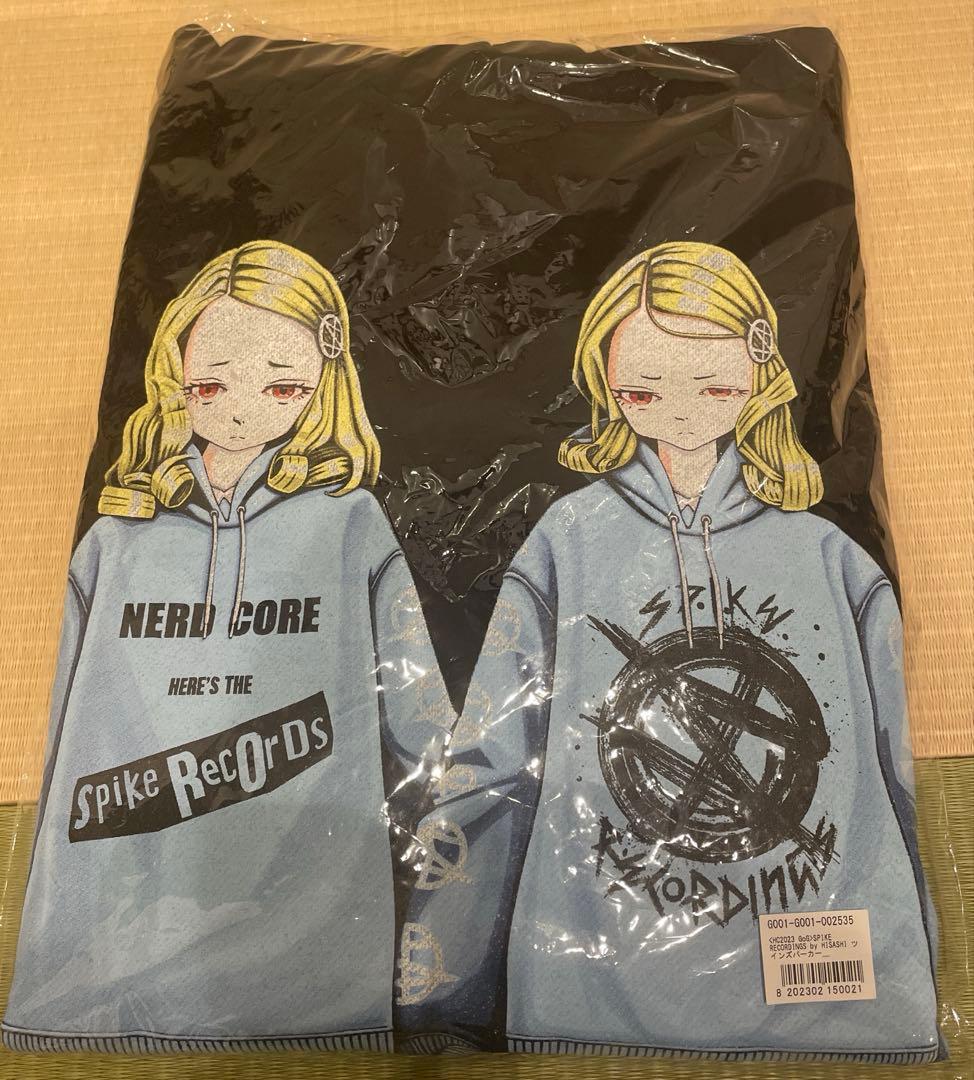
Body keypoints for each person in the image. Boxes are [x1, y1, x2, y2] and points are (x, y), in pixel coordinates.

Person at [397, 241, 940, 1062]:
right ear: (609, 386)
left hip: (832, 997)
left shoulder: (835, 561)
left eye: (714, 386)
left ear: (760, 373)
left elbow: (900, 782)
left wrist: (915, 976)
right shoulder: (568, 540)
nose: (682, 411)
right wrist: (442, 996)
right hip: (586, 1000)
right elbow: (493, 764)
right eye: (646, 389)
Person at [3, 240, 451, 1053]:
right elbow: (49, 734)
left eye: (282, 386)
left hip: (315, 960)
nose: (242, 410)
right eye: (211, 384)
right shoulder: (115, 538)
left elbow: (424, 729)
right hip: (103, 960)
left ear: (323, 385)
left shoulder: (350, 523)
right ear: (174, 375)